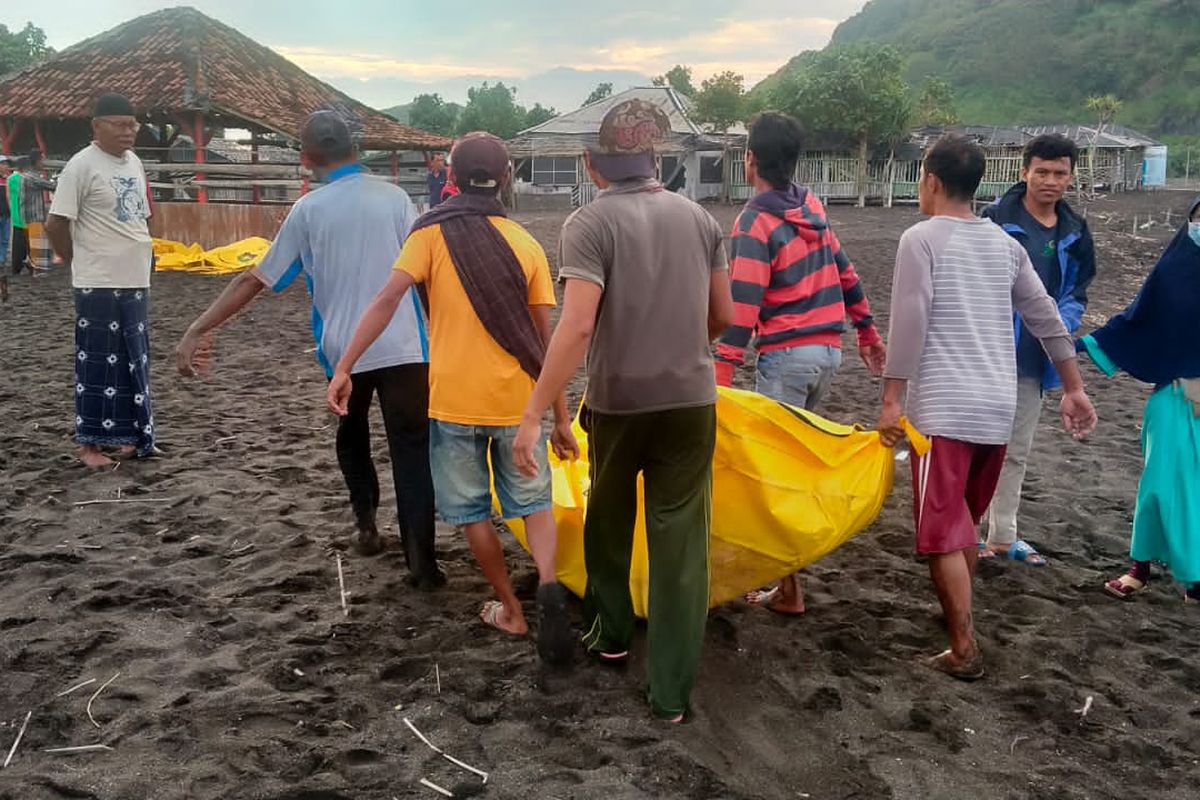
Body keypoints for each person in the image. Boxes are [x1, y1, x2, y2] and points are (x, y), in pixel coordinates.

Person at [513, 99, 735, 721]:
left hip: (617, 402)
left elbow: (577, 325)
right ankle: (670, 696)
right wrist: (685, 349)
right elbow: (724, 317)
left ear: (592, 162)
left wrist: (534, 414)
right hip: (691, 403)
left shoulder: (587, 223)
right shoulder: (701, 220)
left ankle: (610, 637)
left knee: (606, 519)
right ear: (655, 158)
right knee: (680, 546)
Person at [329, 132, 577, 665]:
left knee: (471, 513)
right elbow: (543, 344)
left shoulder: (429, 235)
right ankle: (551, 585)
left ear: (450, 178)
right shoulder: (526, 242)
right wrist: (558, 417)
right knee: (534, 505)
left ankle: (510, 608)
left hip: (452, 404)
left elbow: (387, 299)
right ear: (506, 178)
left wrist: (346, 365)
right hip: (519, 406)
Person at [175, 111, 444, 586]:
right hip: (405, 347)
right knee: (411, 450)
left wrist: (198, 327)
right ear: (356, 150)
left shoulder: (308, 210)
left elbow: (255, 279)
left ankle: (365, 525)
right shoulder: (397, 199)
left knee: (352, 435)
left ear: (306, 159)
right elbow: (424, 274)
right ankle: (421, 564)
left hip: (344, 351)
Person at [877, 134, 1097, 680]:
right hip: (997, 408)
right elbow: (1047, 317)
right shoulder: (1005, 244)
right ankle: (959, 619)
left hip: (944, 412)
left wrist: (891, 400)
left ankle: (963, 646)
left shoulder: (920, 239)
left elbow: (908, 323)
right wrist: (1074, 387)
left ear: (929, 181)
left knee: (942, 532)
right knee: (966, 524)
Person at [715, 111, 887, 616]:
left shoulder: (754, 221)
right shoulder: (811, 205)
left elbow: (742, 302)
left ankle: (788, 590)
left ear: (750, 159)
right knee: (788, 465)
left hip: (788, 357)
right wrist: (867, 331)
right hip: (827, 354)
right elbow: (844, 268)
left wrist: (722, 371)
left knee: (775, 475)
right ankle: (787, 585)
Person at [980, 134, 1096, 565]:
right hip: (988, 350)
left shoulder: (1075, 231)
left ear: (1070, 176)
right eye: (1042, 171)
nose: (1050, 181)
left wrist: (1058, 328)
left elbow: (1078, 290)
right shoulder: (994, 219)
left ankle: (1002, 536)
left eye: (1059, 173)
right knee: (973, 445)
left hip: (1037, 357)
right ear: (1024, 171)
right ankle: (960, 531)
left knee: (1016, 449)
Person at [1078, 198, 1200, 604]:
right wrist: (1087, 344)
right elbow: (1137, 318)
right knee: (1161, 485)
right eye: (1199, 220)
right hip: (1179, 394)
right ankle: (1140, 568)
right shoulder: (1173, 271)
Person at [45, 93, 156, 469]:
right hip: (98, 280)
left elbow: (142, 214)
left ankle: (132, 438)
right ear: (97, 126)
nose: (130, 132)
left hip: (135, 277)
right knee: (96, 364)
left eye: (134, 124)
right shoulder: (81, 166)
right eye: (121, 125)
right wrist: (75, 261)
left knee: (132, 360)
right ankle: (89, 446)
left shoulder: (135, 162)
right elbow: (55, 223)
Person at [20, 149, 58, 275]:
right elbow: (51, 186)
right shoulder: (31, 177)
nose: (43, 163)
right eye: (42, 160)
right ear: (36, 161)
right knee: (39, 243)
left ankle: (32, 264)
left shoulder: (30, 176)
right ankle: (38, 269)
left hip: (33, 215)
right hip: (33, 215)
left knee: (37, 243)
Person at [7, 154, 29, 275]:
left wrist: (12, 210)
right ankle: (30, 264)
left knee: (17, 243)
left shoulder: (10, 179)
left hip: (16, 215)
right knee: (29, 242)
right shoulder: (27, 178)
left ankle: (16, 267)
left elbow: (8, 196)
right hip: (28, 215)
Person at [0, 156, 10, 301]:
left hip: (6, 215)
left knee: (4, 241)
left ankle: (1, 261)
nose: (6, 166)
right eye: (4, 164)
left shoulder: (7, 180)